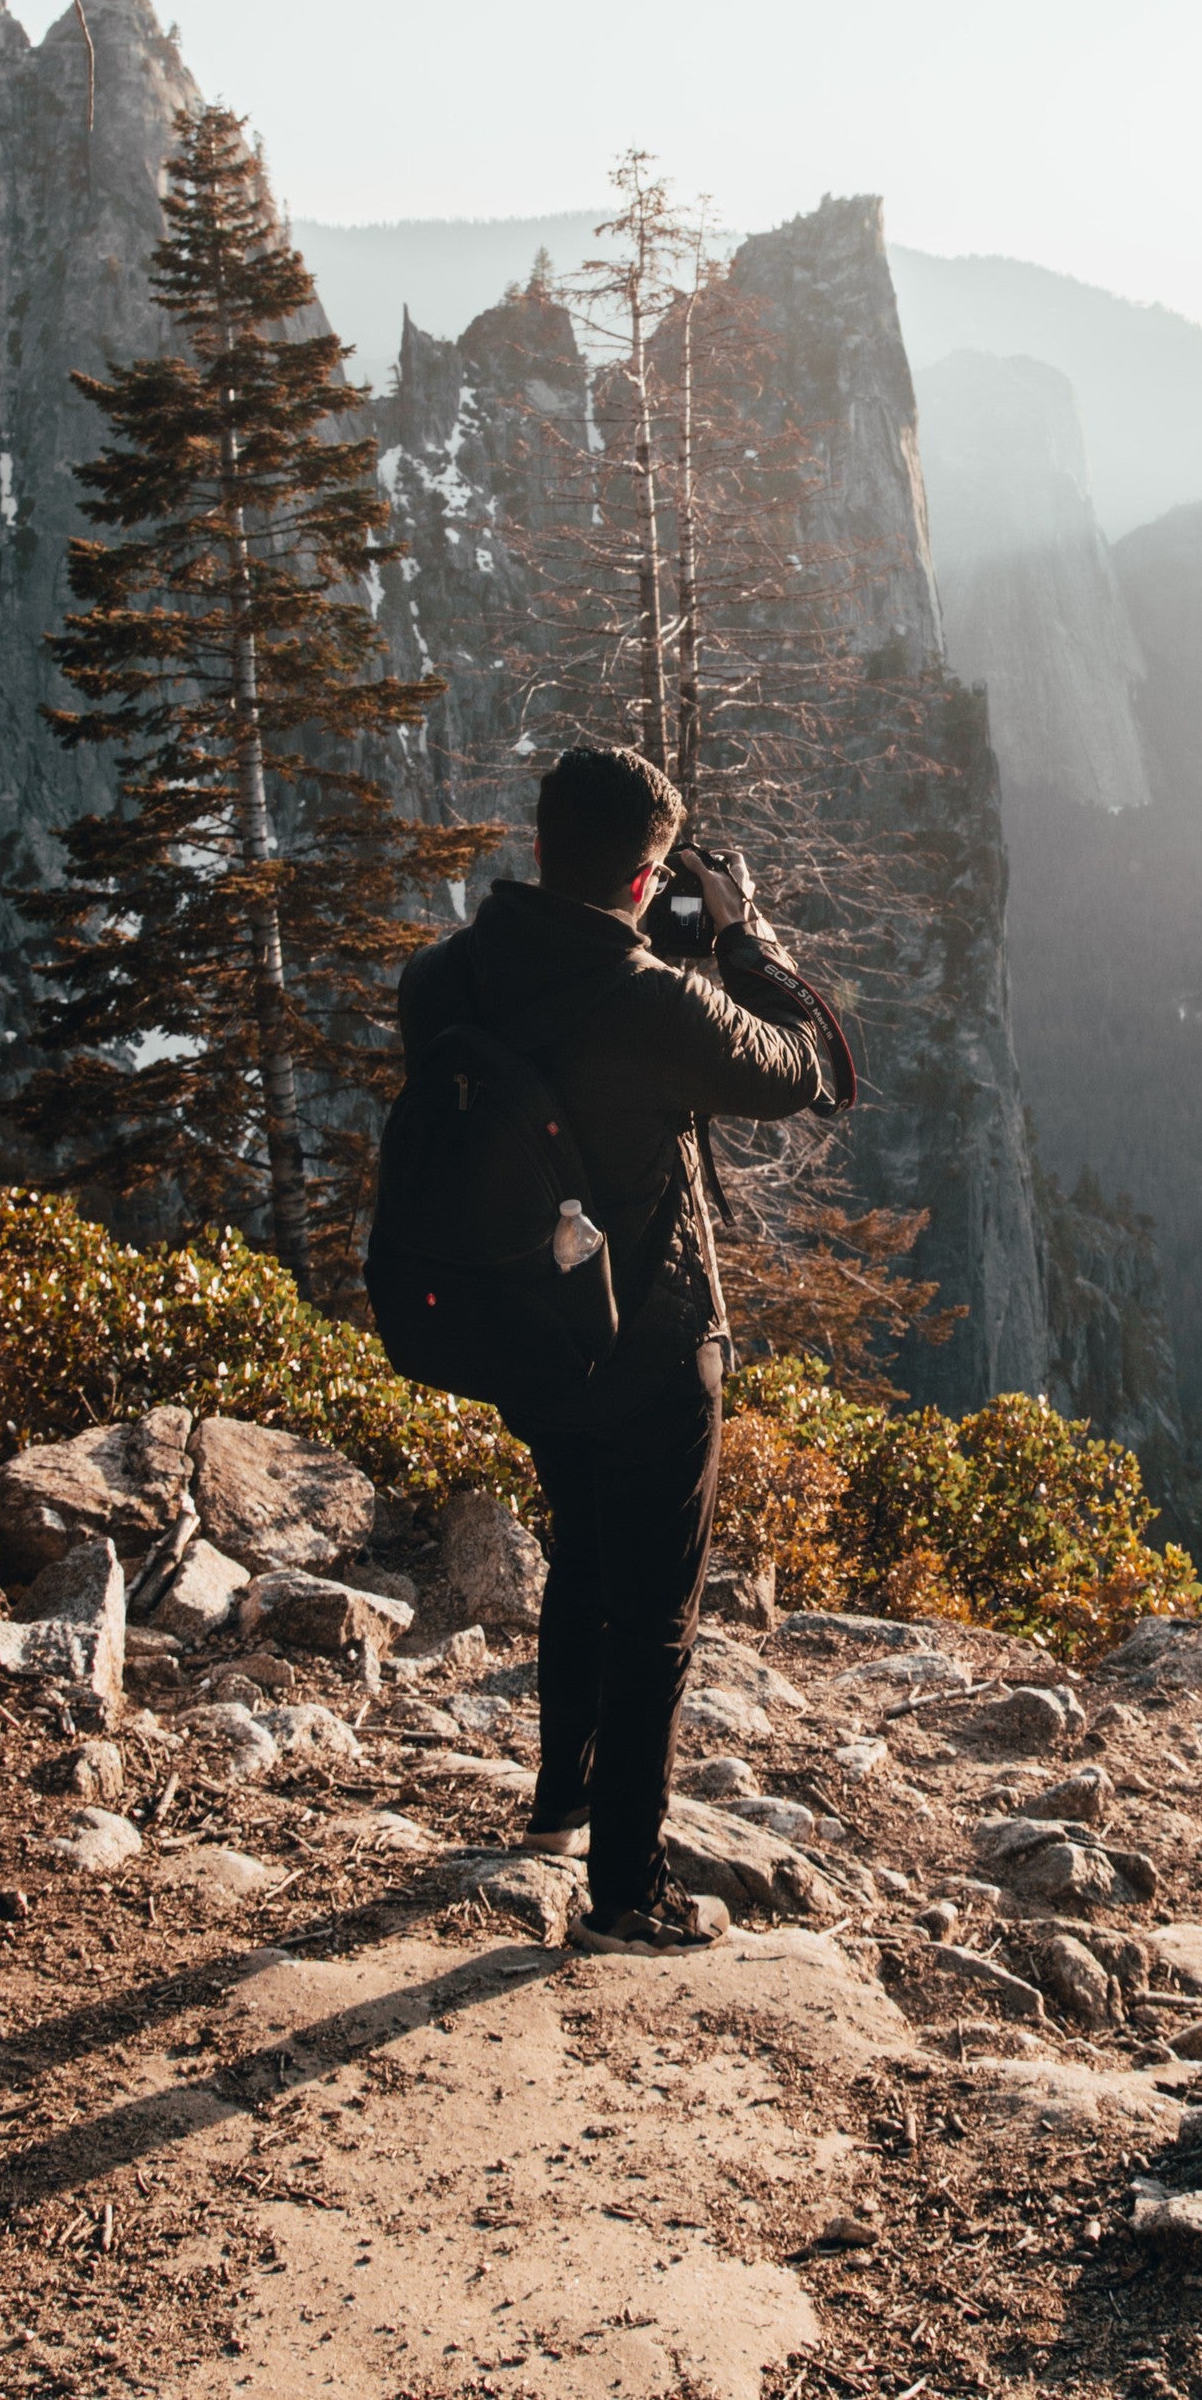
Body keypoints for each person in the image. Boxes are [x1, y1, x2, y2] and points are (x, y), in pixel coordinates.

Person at [396, 742, 846, 1953]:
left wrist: (678, 963)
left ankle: (562, 1805)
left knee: (583, 1557)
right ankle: (626, 1892)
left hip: (530, 1340)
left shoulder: (441, 979)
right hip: (652, 1346)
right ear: (648, 881)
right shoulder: (659, 1004)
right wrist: (747, 943)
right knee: (654, 1611)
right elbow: (805, 1071)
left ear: (538, 847)